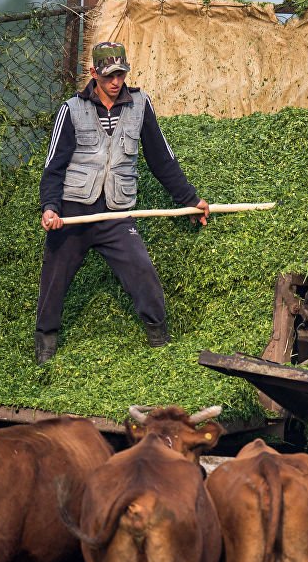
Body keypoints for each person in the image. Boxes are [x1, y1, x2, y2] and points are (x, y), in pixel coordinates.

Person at [34, 41, 209, 364]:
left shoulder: (140, 106)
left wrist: (190, 199)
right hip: (74, 212)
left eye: (120, 75)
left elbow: (162, 159)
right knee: (54, 278)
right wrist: (51, 208)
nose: (115, 82)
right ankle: (46, 344)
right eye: (108, 76)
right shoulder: (71, 110)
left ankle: (159, 338)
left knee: (142, 271)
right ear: (93, 74)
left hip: (116, 212)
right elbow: (53, 167)